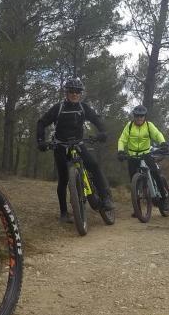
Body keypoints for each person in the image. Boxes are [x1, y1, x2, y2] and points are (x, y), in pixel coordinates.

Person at [36, 77, 113, 222]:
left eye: (78, 91)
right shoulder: (58, 108)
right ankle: (64, 214)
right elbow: (41, 122)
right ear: (66, 92)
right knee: (63, 180)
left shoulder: (83, 107)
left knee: (94, 166)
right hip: (60, 146)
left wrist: (102, 132)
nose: (75, 94)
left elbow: (96, 119)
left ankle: (105, 198)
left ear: (81, 93)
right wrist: (40, 141)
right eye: (71, 91)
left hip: (78, 144)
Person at [117, 105, 169, 216]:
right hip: (132, 156)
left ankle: (164, 198)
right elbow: (122, 139)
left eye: (142, 116)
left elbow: (157, 134)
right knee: (134, 183)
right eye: (137, 116)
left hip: (146, 154)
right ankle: (137, 209)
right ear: (134, 116)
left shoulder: (149, 125)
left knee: (155, 172)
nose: (139, 118)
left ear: (145, 116)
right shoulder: (129, 126)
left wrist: (163, 143)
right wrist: (120, 151)